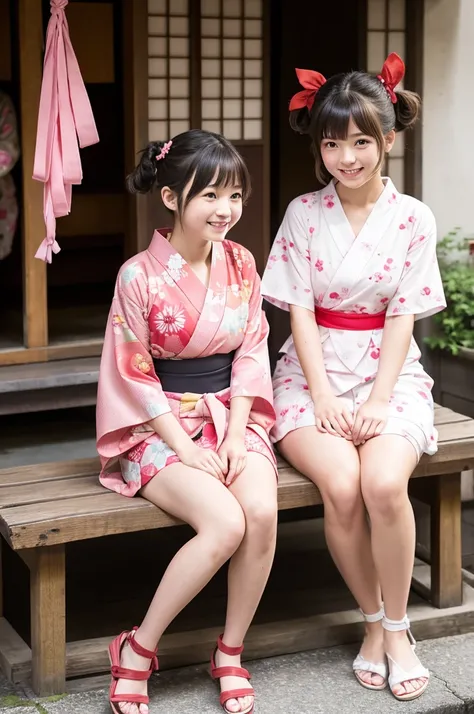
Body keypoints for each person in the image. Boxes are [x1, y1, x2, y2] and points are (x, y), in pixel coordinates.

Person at [261, 53, 446, 702]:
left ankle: (398, 629)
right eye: (333, 142)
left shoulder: (413, 219)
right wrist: (322, 395)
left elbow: (403, 315)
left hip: (388, 374)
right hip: (308, 376)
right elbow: (300, 314)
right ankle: (372, 623)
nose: (346, 157)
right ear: (320, 146)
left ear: (387, 140)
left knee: (383, 482)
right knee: (341, 485)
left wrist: (373, 399)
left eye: (361, 142)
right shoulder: (303, 215)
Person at [96, 130, 278, 714]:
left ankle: (229, 652)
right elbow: (135, 372)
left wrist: (234, 433)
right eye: (210, 196)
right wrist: (186, 446)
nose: (225, 210)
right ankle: (136, 649)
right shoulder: (138, 276)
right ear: (172, 197)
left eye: (235, 196)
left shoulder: (243, 263)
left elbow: (252, 350)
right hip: (158, 426)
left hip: (230, 416)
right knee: (224, 522)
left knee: (262, 512)